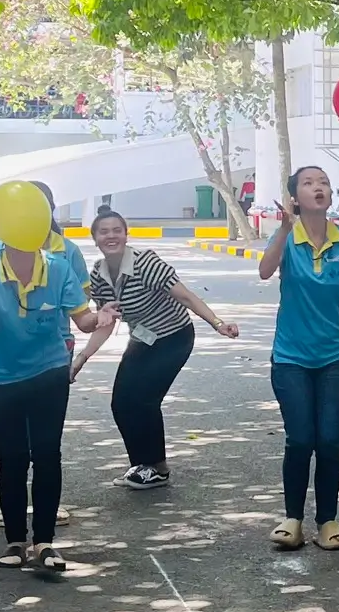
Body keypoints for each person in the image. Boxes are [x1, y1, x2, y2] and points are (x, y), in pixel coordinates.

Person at [0, 182, 104, 575]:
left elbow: (82, 319)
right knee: (14, 457)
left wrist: (99, 318)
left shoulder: (58, 267)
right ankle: (16, 540)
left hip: (50, 371)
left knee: (48, 453)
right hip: (0, 376)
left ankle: (45, 542)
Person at [258, 166, 339, 551]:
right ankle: (292, 518)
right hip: (291, 357)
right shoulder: (288, 238)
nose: (319, 188)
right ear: (296, 196)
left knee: (329, 439)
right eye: (310, 183)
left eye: (325, 182)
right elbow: (265, 270)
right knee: (300, 439)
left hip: (334, 356)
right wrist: (283, 226)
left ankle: (327, 519)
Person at [77, 207, 238, 490]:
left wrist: (217, 323)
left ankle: (158, 468)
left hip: (174, 337)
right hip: (142, 340)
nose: (111, 236)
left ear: (126, 235)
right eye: (104, 231)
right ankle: (142, 465)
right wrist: (81, 359)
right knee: (120, 403)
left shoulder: (144, 263)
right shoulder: (99, 274)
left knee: (144, 400)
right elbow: (105, 322)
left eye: (117, 230)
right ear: (95, 239)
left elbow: (185, 296)